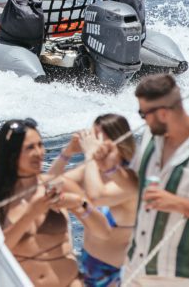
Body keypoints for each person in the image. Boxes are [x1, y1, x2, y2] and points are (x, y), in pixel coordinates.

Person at [0, 118, 110, 287]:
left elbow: (103, 231)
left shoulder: (58, 185)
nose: (39, 152)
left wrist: (79, 204)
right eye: (30, 148)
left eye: (40, 145)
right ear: (11, 154)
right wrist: (31, 213)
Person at [121, 73, 189, 287]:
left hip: (177, 278)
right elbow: (132, 185)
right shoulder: (150, 139)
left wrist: (176, 203)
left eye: (143, 113)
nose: (142, 119)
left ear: (163, 114)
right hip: (134, 269)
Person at [51, 114, 138, 287]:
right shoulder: (92, 171)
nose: (92, 141)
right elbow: (50, 182)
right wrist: (67, 151)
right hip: (88, 264)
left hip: (117, 273)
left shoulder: (130, 180)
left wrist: (90, 155)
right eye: (92, 136)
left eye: (98, 137)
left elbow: (96, 197)